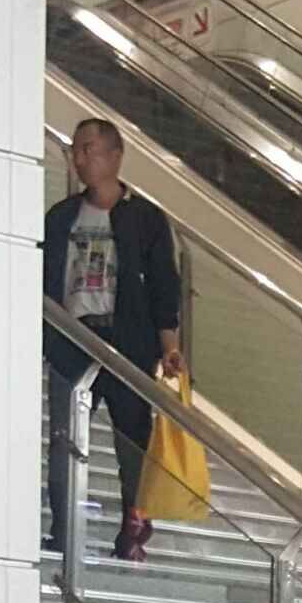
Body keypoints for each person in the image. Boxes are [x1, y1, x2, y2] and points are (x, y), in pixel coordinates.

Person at [41, 118, 185, 562]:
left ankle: (133, 531)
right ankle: (63, 532)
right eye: (76, 150)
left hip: (128, 343)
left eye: (89, 148)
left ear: (115, 155)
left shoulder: (145, 219)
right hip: (71, 339)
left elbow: (163, 284)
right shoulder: (61, 217)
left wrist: (169, 345)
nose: (80, 158)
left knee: (133, 441)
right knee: (64, 439)